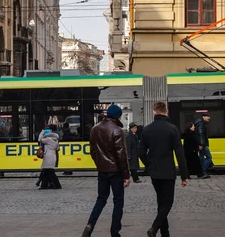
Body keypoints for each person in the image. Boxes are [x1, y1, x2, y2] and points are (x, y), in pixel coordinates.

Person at [139, 101, 189, 237]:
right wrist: (184, 175)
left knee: (161, 202)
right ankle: (154, 228)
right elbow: (179, 153)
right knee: (168, 203)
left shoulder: (147, 129)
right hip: (168, 171)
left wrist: (149, 165)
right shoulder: (172, 129)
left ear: (154, 111)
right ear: (166, 112)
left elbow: (141, 152)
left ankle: (165, 233)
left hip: (154, 172)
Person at [82, 104, 130, 237]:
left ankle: (90, 224)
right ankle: (115, 232)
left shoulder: (94, 129)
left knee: (101, 199)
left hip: (102, 170)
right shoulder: (117, 130)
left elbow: (92, 151)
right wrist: (126, 175)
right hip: (116, 171)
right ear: (118, 116)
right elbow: (121, 155)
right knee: (118, 201)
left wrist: (99, 164)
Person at [194, 113, 212, 179]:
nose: (209, 118)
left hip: (200, 143)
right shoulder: (201, 124)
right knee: (209, 157)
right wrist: (201, 144)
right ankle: (203, 172)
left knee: (201, 158)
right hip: (203, 144)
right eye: (207, 116)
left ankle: (201, 173)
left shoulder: (199, 123)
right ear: (203, 117)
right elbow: (201, 134)